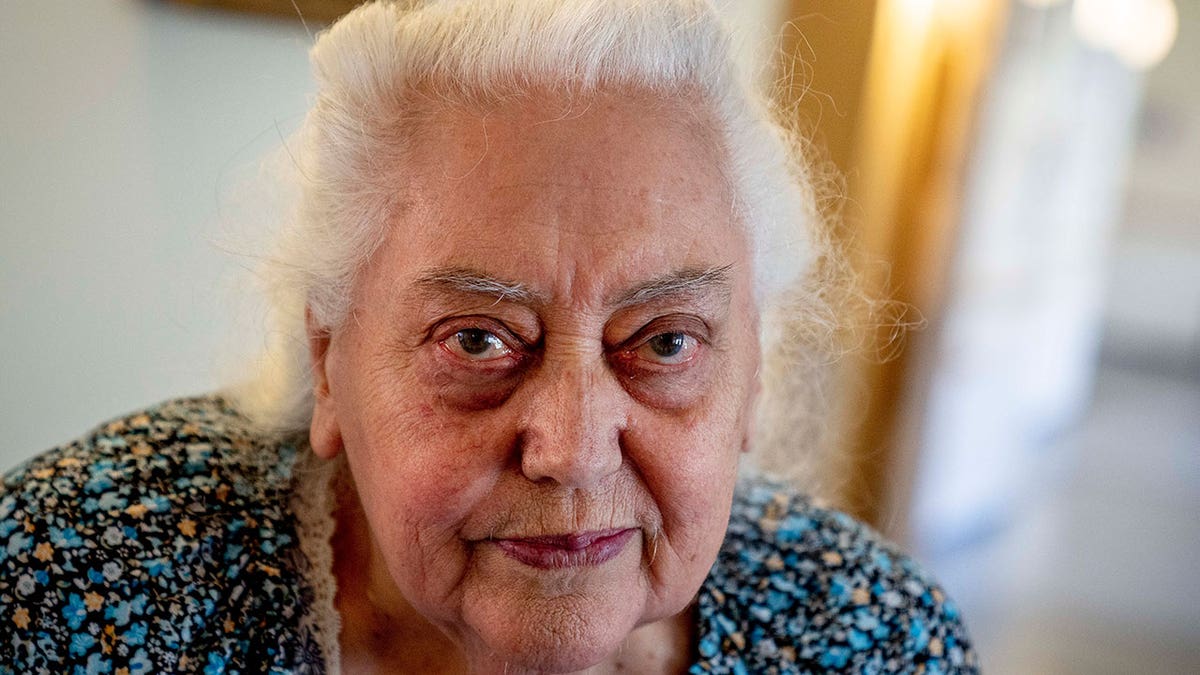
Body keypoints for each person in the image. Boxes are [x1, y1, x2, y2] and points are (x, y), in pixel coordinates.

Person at [0, 0, 977, 672]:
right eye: (479, 341)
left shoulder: (876, 637)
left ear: (754, 376)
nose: (573, 448)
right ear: (329, 362)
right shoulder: (77, 575)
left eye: (667, 343)